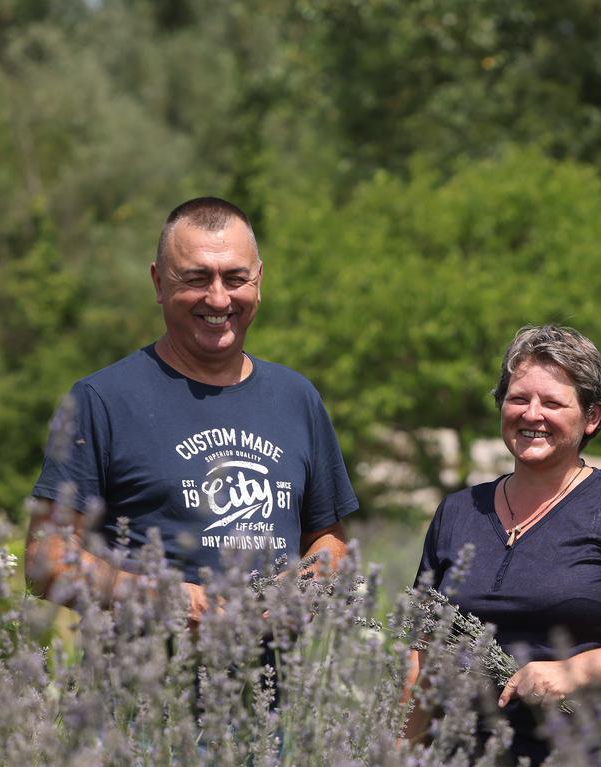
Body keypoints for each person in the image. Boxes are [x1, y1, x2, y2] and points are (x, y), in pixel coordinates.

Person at [404, 325, 601, 767]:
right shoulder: (458, 513)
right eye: (518, 399)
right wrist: (402, 759)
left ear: (592, 416)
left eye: (553, 403)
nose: (532, 415)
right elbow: (422, 651)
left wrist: (571, 672)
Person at [25, 197, 358, 623]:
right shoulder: (101, 400)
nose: (218, 299)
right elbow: (44, 558)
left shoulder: (298, 398)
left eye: (235, 278)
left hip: (274, 684)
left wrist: (297, 592)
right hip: (145, 684)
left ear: (259, 280)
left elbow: (329, 540)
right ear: (159, 283)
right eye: (197, 278)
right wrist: (153, 596)